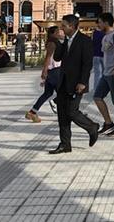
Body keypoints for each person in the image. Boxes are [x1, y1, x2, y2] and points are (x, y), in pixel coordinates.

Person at [49, 14, 100, 154]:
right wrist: (60, 41)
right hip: (63, 82)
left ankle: (92, 127)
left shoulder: (85, 41)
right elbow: (57, 57)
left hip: (77, 83)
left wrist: (83, 82)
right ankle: (65, 144)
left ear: (71, 26)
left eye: (63, 26)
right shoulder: (65, 41)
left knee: (72, 111)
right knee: (62, 114)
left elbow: (87, 64)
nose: (61, 28)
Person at [25, 26, 64, 123]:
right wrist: (44, 70)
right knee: (64, 92)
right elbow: (48, 57)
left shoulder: (54, 41)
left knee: (47, 93)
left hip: (52, 71)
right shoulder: (52, 43)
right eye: (58, 31)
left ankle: (32, 112)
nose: (60, 33)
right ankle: (64, 111)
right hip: (55, 70)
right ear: (53, 33)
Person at [91, 18, 106, 112]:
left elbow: (93, 43)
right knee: (104, 73)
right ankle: (103, 90)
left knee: (97, 74)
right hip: (103, 56)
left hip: (95, 55)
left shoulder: (95, 33)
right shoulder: (105, 33)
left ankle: (96, 90)